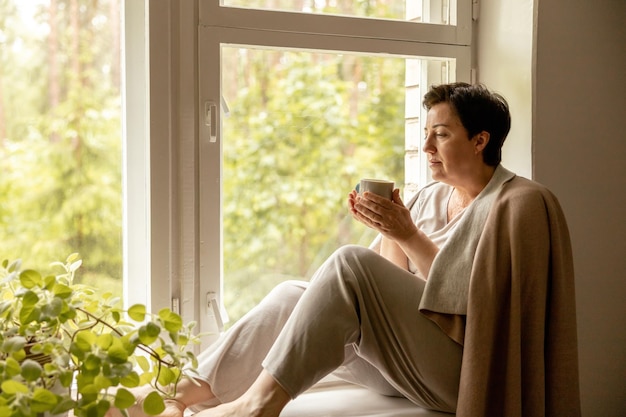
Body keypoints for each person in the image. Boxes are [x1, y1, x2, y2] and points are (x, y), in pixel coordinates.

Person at [109, 82, 581, 417]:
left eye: (440, 134)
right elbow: (384, 286)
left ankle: (258, 406)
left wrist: (408, 234)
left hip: (468, 374)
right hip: (410, 364)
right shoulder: (429, 197)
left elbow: (484, 312)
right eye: (426, 133)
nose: (426, 145)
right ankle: (173, 396)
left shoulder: (520, 204)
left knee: (347, 263)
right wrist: (392, 228)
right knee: (294, 293)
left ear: (480, 141)